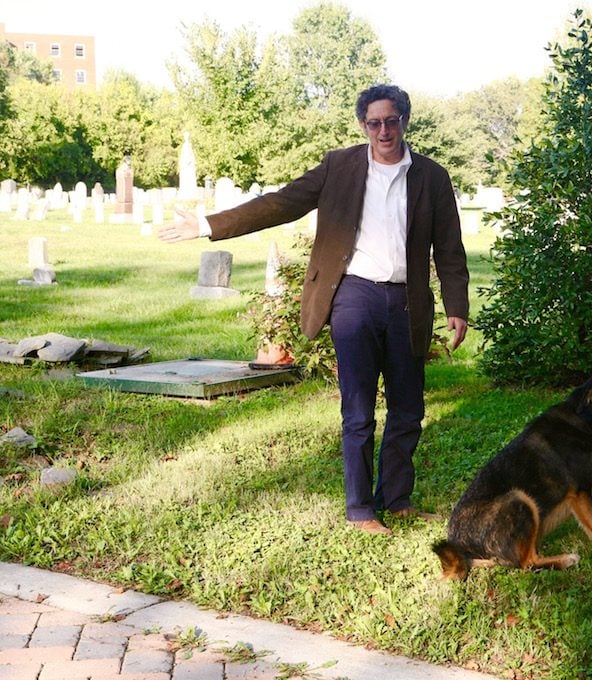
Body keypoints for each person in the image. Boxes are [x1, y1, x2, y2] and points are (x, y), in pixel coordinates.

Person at [159, 84, 470, 536]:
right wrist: (208, 225)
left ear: (405, 121)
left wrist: (456, 306)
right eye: (374, 122)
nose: (383, 130)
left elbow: (449, 247)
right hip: (354, 298)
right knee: (359, 409)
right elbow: (280, 204)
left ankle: (397, 499)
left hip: (407, 302)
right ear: (364, 125)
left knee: (408, 410)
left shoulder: (431, 176)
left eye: (391, 120)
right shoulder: (339, 166)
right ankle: (361, 508)